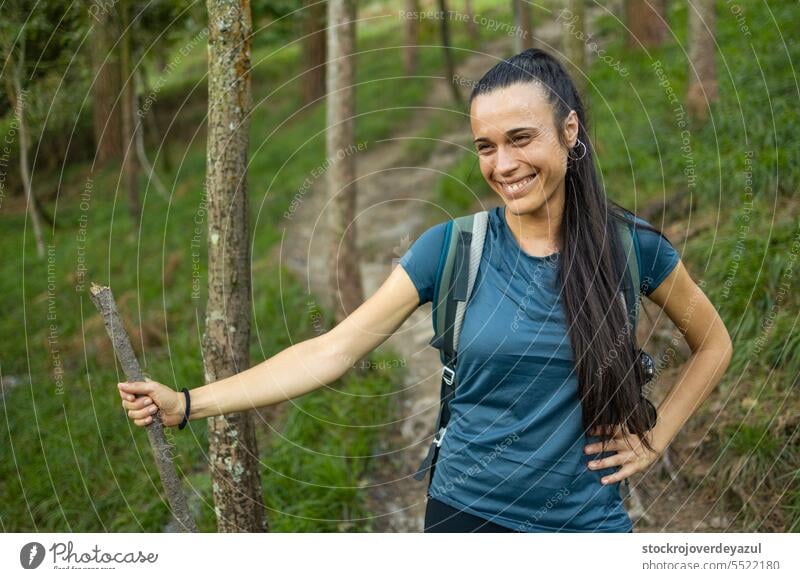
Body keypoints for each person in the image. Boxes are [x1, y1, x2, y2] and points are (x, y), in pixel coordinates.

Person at [117, 48, 733, 533]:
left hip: (586, 525)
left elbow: (713, 343)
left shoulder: (632, 249)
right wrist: (189, 403)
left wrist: (656, 438)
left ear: (569, 131)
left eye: (521, 138)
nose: (503, 165)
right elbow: (332, 350)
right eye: (485, 147)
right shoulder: (451, 250)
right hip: (466, 517)